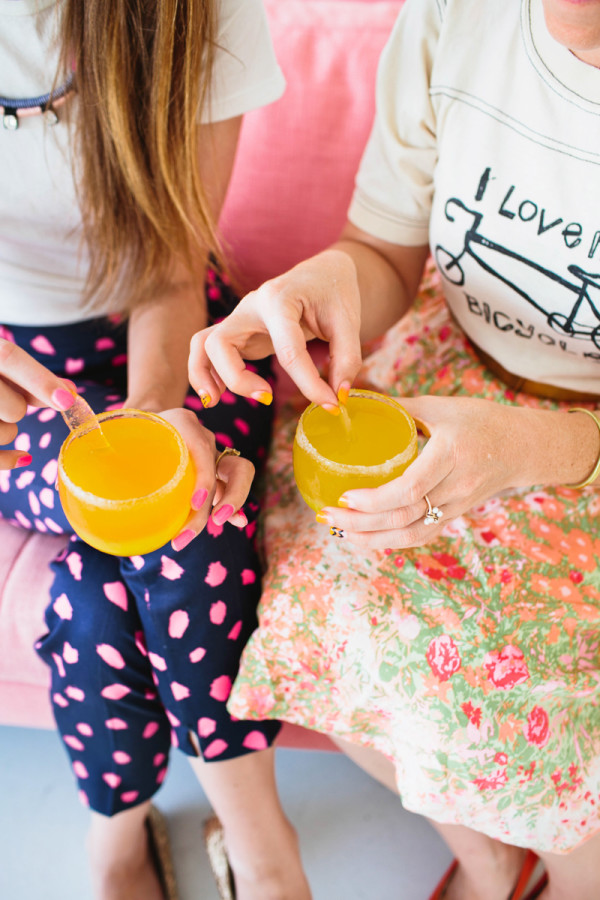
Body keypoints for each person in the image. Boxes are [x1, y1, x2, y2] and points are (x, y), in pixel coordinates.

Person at [188, 0, 600, 898]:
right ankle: (491, 855)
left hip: (586, 446)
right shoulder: (459, 17)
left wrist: (532, 442)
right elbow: (382, 251)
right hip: (446, 373)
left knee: (568, 714)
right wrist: (324, 283)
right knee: (293, 588)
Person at [0, 2, 312, 899]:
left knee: (158, 532)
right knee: (174, 521)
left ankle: (163, 840)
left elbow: (170, 267)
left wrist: (149, 413)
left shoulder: (193, 12)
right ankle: (256, 852)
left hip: (170, 334)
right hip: (16, 379)